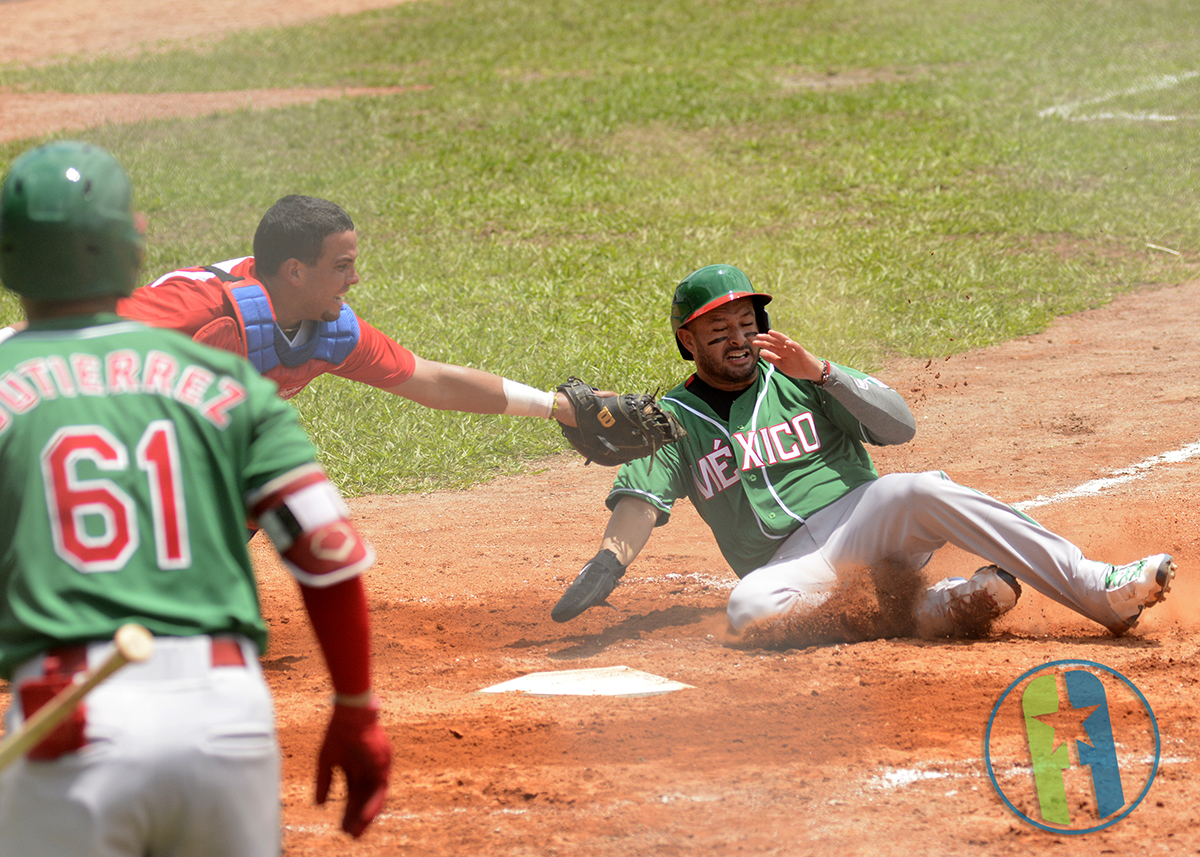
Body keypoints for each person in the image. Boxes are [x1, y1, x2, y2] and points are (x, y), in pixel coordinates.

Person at [0, 140, 390, 855]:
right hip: (225, 721)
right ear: (132, 248)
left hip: (67, 720)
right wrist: (356, 709)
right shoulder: (228, 378)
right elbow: (326, 552)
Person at [550, 263, 1177, 641]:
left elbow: (898, 427)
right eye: (719, 331)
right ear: (689, 341)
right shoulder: (673, 419)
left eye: (747, 324)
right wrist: (609, 561)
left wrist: (823, 372)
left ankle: (1098, 587)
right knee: (747, 610)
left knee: (921, 488)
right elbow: (641, 499)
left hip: (863, 518)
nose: (738, 340)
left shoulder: (799, 376)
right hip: (788, 566)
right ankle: (928, 610)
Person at [113, 193, 579, 425]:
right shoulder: (199, 306)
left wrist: (556, 406)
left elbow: (435, 383)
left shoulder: (329, 333)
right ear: (295, 272)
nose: (354, 280)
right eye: (341, 266)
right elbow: (75, 334)